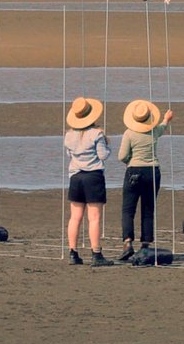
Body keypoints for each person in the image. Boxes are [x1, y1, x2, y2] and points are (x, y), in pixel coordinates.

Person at [117, 98, 173, 261]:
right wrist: (166, 119)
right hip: (152, 172)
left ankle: (128, 243)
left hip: (133, 171)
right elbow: (162, 128)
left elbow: (121, 156)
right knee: (148, 209)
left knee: (128, 209)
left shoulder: (129, 133)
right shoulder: (154, 130)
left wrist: (130, 162)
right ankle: (145, 244)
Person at [63, 97, 115, 265]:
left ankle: (73, 252)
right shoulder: (97, 133)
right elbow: (103, 155)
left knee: (75, 217)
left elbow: (69, 155)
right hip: (93, 176)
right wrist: (108, 144)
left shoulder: (69, 135)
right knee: (94, 217)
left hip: (76, 177)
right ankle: (96, 253)